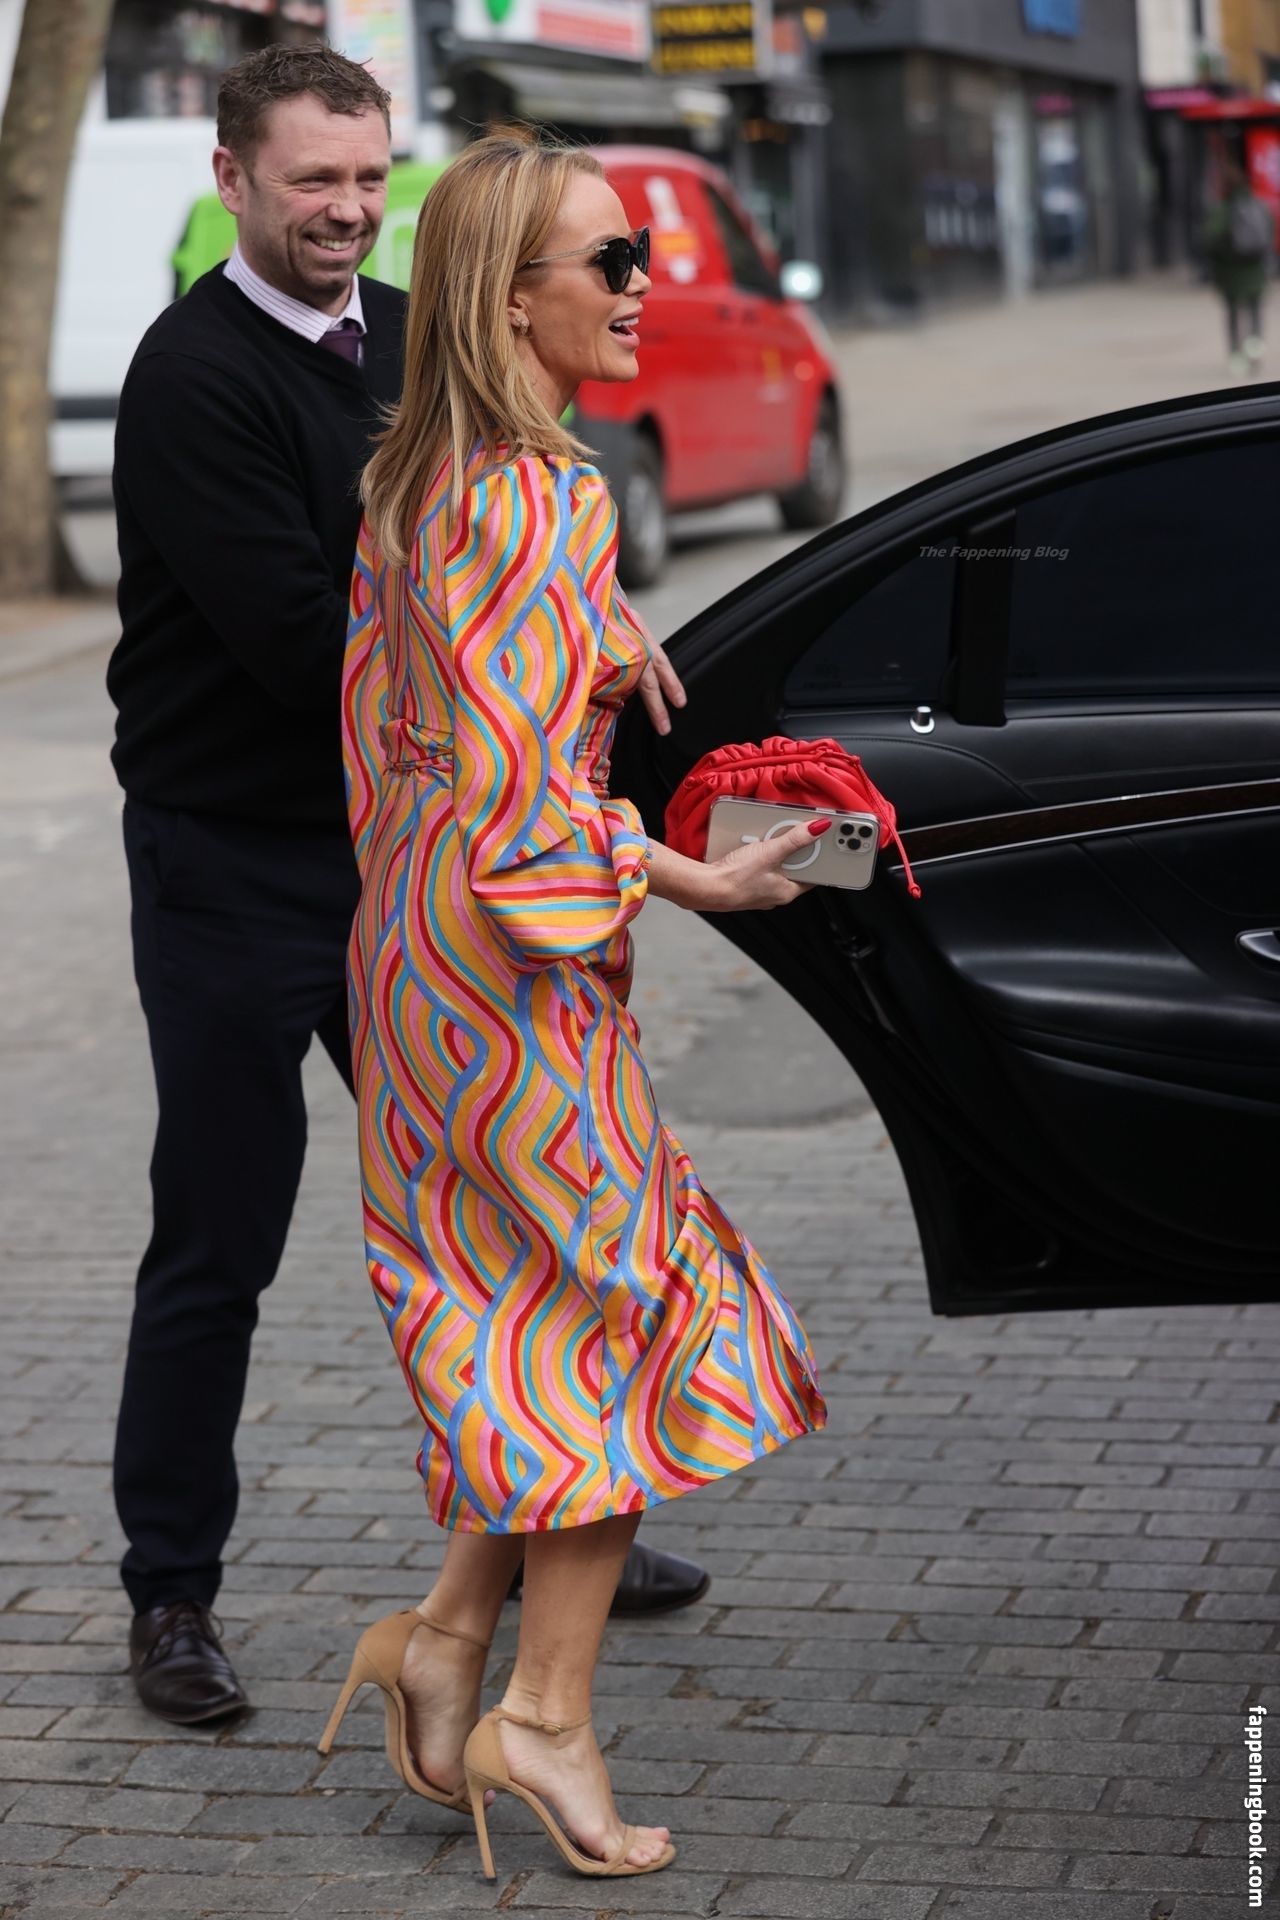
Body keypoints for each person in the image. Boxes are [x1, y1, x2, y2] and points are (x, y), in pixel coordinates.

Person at [107, 46, 707, 1731]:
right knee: (219, 1234)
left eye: (372, 179)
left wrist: (588, 609)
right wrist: (531, 654)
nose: (348, 210)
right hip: (241, 867)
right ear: (232, 178)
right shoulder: (191, 376)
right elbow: (320, 645)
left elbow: (499, 503)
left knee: (518, 1204)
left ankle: (560, 1509)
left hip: (415, 868)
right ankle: (171, 1594)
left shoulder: (406, 338)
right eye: (314, 179)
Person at [323, 128, 827, 1880]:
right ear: (506, 299)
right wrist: (701, 877)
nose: (639, 289)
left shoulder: (424, 484)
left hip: (414, 965)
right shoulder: (543, 501)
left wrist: (596, 628)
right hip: (514, 970)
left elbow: (409, 733)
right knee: (609, 1329)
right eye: (610, 264)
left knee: (525, 1315)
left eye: (638, 258)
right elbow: (524, 801)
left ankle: (444, 1640)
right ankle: (543, 1719)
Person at [1204, 160, 1272, 376]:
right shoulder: (1258, 206)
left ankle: (1236, 354)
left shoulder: (1223, 210)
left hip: (1230, 273)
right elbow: (1269, 233)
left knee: (1233, 313)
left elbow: (1210, 240)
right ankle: (1255, 344)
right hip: (1256, 270)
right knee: (1255, 309)